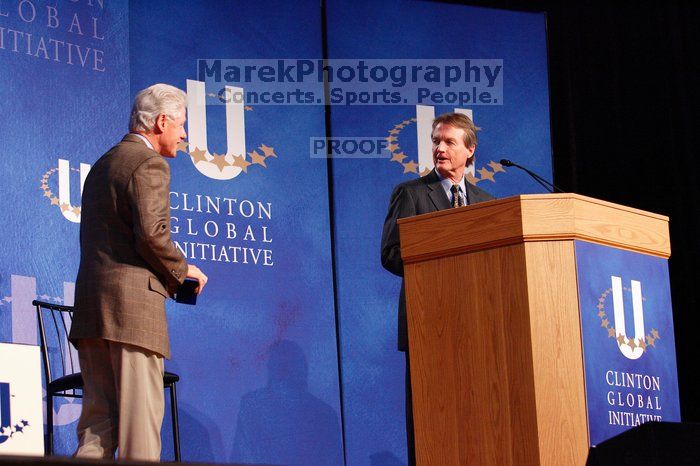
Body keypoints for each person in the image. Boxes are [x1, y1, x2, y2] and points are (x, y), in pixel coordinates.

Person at [69, 83, 208, 461]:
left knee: (98, 429)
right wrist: (183, 271)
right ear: (162, 121)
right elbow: (152, 234)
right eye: (181, 125)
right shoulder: (149, 163)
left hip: (93, 314)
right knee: (139, 434)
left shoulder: (103, 164)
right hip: (131, 315)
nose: (184, 135)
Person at [380, 112, 494, 465]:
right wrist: (436, 264)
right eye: (436, 142)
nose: (440, 149)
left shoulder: (487, 203)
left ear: (470, 150)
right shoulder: (411, 193)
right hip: (429, 322)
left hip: (476, 326)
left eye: (449, 142)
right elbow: (390, 254)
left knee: (477, 418)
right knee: (431, 419)